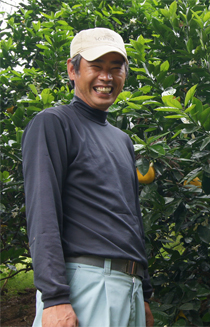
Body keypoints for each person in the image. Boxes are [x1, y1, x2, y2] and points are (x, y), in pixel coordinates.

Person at [22, 27, 154, 327]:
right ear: (73, 69)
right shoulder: (53, 124)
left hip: (127, 287)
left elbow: (130, 219)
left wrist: (143, 294)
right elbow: (43, 214)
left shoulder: (121, 140)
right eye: (96, 67)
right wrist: (55, 298)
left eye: (115, 68)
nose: (106, 78)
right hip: (86, 287)